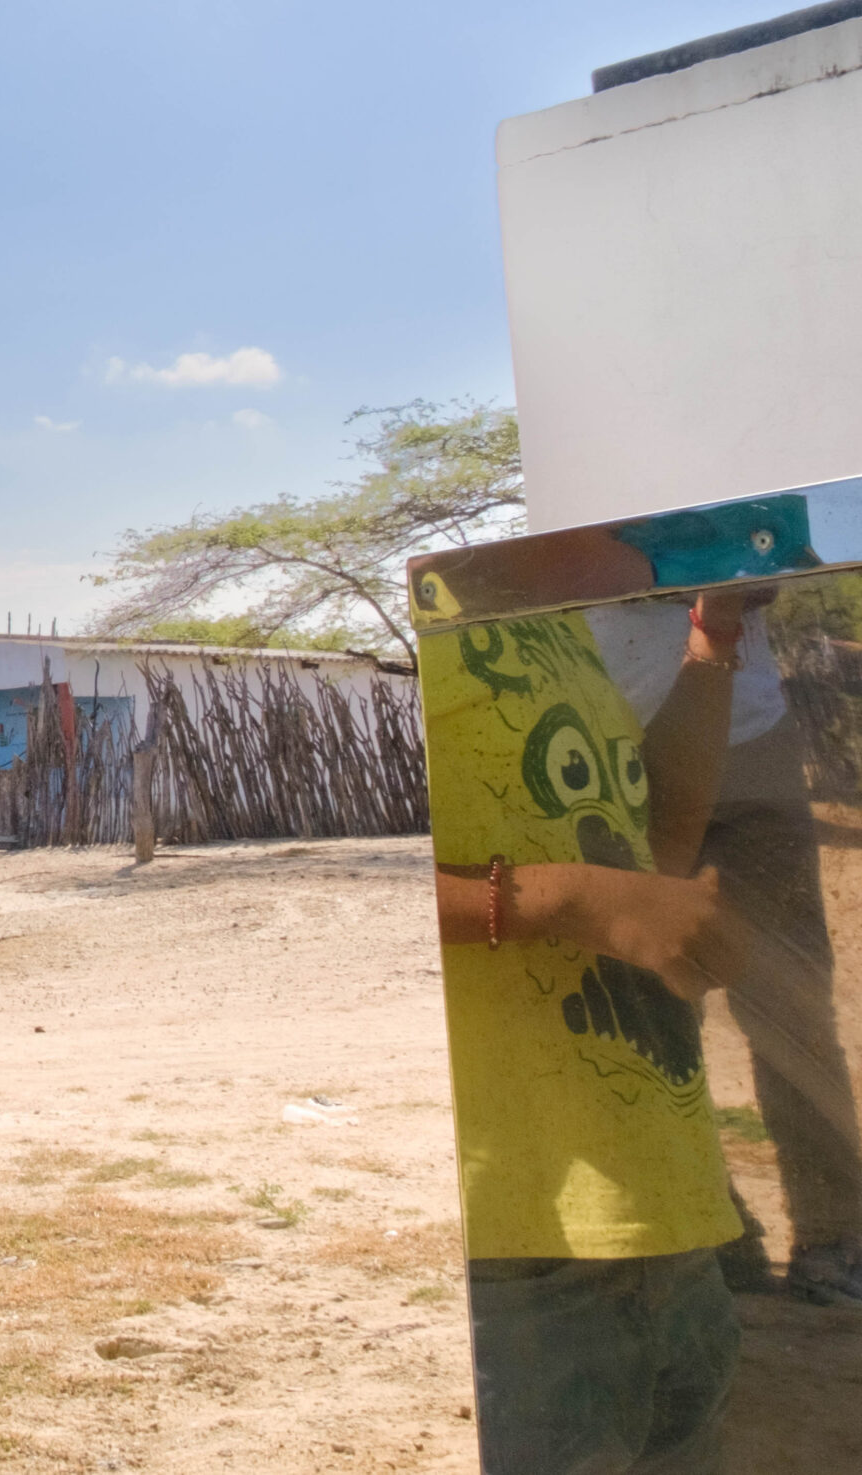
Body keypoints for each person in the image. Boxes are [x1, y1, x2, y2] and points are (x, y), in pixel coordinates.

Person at [416, 545, 747, 1475]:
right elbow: (326, 882)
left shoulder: (549, 622)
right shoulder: (421, 611)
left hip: (669, 1212)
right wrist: (564, 901)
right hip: (529, 1236)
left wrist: (715, 639)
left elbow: (656, 841)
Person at [590, 594, 862, 1309]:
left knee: (793, 1002)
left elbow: (770, 562)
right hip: (610, 748)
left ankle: (833, 1242)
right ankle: (719, 1231)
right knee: (647, 1011)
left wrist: (735, 588)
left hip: (747, 740)